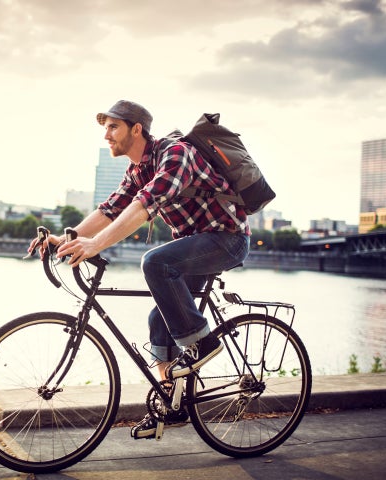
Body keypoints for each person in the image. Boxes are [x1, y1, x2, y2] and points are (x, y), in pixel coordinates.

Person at [31, 100, 250, 439]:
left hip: (227, 240)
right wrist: (67, 238)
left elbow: (144, 206)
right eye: (105, 127)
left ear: (137, 129)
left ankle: (203, 345)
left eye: (113, 126)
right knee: (159, 321)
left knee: (155, 261)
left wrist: (96, 245)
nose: (106, 135)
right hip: (196, 245)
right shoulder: (136, 170)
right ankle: (173, 406)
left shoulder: (175, 154)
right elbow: (110, 209)